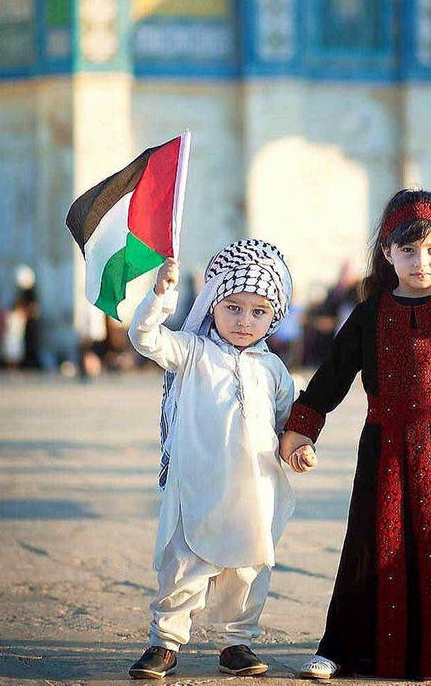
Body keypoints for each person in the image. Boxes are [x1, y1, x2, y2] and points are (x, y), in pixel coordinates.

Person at [280, 189, 431, 680]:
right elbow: (332, 376)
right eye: (410, 250)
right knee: (369, 542)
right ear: (388, 253)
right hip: (385, 444)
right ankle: (340, 649)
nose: (422, 261)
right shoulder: (369, 314)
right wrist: (300, 430)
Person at [127, 239, 305, 680]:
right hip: (197, 486)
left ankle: (236, 642)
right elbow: (144, 337)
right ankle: (165, 642)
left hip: (254, 492)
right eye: (233, 308)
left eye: (258, 311)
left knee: (246, 570)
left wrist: (300, 449)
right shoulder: (192, 352)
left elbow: (287, 424)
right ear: (212, 304)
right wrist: (160, 294)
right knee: (183, 565)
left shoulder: (274, 369)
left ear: (274, 316)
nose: (245, 321)